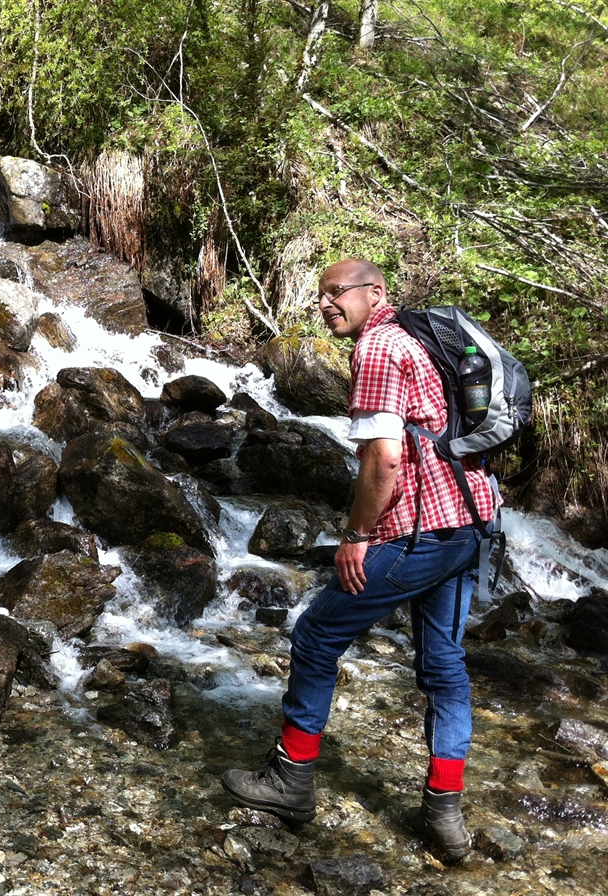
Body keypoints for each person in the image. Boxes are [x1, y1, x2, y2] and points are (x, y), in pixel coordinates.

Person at [220, 259, 500, 862]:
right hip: (470, 525)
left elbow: (386, 460)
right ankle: (444, 814)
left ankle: (291, 781)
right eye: (319, 294)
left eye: (335, 292)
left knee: (318, 635)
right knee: (445, 667)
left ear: (375, 293)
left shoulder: (377, 350)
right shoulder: (421, 341)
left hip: (417, 532)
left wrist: (357, 535)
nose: (324, 303)